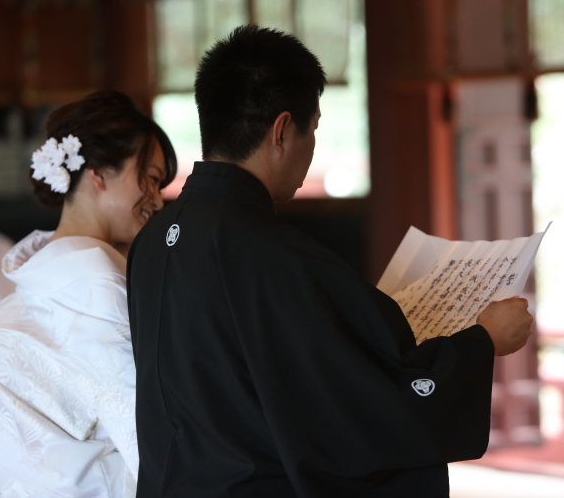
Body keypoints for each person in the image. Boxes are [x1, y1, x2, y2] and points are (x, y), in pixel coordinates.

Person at [127, 25, 533, 497]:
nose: (311, 145)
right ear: (281, 130)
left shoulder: (153, 240)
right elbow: (368, 408)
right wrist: (483, 343)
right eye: (313, 128)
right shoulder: (279, 256)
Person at [0, 91, 177, 498]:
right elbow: (152, 437)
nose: (158, 199)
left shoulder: (30, 285)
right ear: (98, 172)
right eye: (149, 177)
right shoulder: (98, 287)